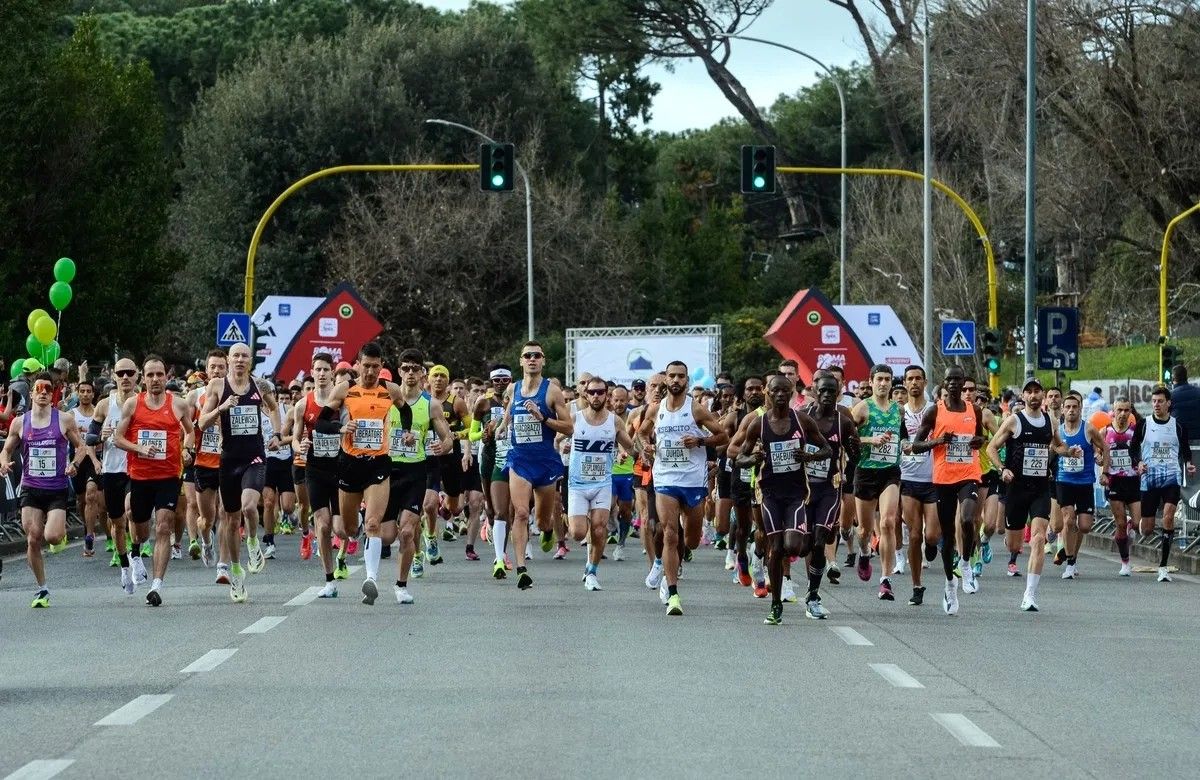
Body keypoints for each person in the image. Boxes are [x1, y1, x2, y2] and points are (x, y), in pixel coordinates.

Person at [735, 375, 830, 624]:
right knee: (776, 549)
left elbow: (827, 449)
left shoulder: (802, 420)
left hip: (796, 494)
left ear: (791, 393)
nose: (780, 395)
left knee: (794, 547)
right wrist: (753, 459)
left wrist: (809, 457)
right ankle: (776, 604)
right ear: (768, 393)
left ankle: (788, 552)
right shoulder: (758, 424)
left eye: (784, 391)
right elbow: (740, 457)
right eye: (775, 391)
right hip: (769, 494)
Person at [638, 360, 728, 616]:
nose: (676, 380)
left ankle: (676, 562)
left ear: (687, 380)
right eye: (672, 376)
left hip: (692, 480)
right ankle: (673, 592)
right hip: (665, 478)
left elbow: (723, 436)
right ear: (666, 379)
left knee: (691, 541)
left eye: (681, 376)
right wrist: (647, 447)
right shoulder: (655, 409)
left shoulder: (696, 409)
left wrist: (699, 441)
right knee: (669, 533)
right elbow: (642, 433)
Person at [196, 342, 283, 603]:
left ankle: (253, 541)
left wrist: (277, 434)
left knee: (248, 507)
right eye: (236, 356)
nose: (240, 360)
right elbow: (201, 422)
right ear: (229, 359)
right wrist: (222, 408)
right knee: (231, 520)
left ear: (250, 360)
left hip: (254, 457)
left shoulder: (260, 385)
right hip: (228, 460)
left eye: (245, 356)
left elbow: (274, 408)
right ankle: (235, 571)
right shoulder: (217, 386)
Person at [986, 378, 1082, 611]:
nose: (1033, 395)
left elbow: (1058, 445)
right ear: (1023, 396)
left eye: (1037, 391)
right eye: (1028, 391)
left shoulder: (1051, 421)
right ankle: (1012, 545)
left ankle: (1029, 594)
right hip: (1016, 488)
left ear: (1042, 395)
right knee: (1014, 544)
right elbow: (991, 448)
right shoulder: (1014, 421)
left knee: (1038, 538)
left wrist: (1069, 451)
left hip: (1040, 488)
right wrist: (1002, 469)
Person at [0, 372, 89, 607]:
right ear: (32, 393)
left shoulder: (64, 419)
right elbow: (6, 450)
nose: (43, 393)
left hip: (56, 489)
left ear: (52, 394)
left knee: (52, 536)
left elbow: (81, 447)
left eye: (48, 389)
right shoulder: (20, 422)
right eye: (38, 388)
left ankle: (60, 533)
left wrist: (74, 464)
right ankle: (42, 589)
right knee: (32, 539)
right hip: (30, 488)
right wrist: (3, 463)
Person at [113, 355, 195, 606]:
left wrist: (187, 449)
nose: (155, 379)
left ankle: (157, 585)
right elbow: (118, 438)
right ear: (143, 378)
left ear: (167, 376)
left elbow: (190, 432)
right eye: (150, 375)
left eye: (160, 374)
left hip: (168, 476)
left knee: (163, 527)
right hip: (140, 477)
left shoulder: (178, 405)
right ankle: (136, 552)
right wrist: (139, 448)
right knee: (139, 531)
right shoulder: (132, 404)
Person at [499, 341, 573, 590]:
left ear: (543, 361)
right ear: (521, 361)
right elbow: (510, 410)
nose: (532, 359)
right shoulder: (513, 388)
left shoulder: (552, 391)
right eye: (528, 355)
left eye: (537, 355)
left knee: (542, 521)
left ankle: (548, 530)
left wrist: (543, 419)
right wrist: (502, 426)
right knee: (520, 512)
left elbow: (569, 427)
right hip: (519, 460)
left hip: (545, 462)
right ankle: (521, 568)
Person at [379, 349, 452, 605]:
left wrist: (443, 446)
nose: (410, 373)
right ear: (399, 371)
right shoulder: (386, 399)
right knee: (387, 535)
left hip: (415, 472)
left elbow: (448, 438)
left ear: (422, 373)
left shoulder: (430, 404)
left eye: (415, 369)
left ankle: (401, 585)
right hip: (387, 471)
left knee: (407, 532)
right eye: (406, 368)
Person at [910, 366, 984, 615]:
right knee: (948, 536)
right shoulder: (935, 410)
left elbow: (980, 438)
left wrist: (979, 441)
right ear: (944, 383)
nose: (953, 383)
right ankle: (950, 585)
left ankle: (965, 564)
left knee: (967, 519)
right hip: (943, 478)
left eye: (957, 379)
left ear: (963, 383)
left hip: (968, 474)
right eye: (949, 379)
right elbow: (916, 445)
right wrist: (939, 441)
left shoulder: (974, 410)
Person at [567, 377, 638, 591]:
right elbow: (557, 439)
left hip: (602, 483)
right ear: (586, 395)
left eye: (600, 392)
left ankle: (592, 571)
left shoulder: (614, 421)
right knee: (578, 533)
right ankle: (588, 539)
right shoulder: (575, 418)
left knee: (599, 529)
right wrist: (561, 446)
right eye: (592, 392)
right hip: (578, 484)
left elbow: (630, 446)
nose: (596, 396)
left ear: (606, 395)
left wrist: (627, 452)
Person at [801, 371, 859, 618]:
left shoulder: (843, 421)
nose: (826, 395)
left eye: (831, 391)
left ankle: (813, 594)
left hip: (829, 488)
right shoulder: (802, 416)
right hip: (803, 488)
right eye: (822, 390)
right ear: (815, 391)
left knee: (819, 540)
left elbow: (855, 455)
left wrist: (854, 450)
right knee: (803, 544)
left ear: (838, 394)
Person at [851, 364, 905, 598]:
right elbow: (848, 438)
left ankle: (885, 579)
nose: (883, 383)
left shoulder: (898, 410)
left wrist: (905, 445)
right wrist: (869, 440)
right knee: (864, 530)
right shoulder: (862, 408)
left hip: (890, 471)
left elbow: (902, 436)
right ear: (871, 381)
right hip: (866, 472)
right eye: (879, 379)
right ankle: (864, 553)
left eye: (887, 379)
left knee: (888, 522)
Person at [1134, 385, 1195, 582]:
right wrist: (1139, 462)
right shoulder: (1144, 424)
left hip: (1171, 476)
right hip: (1150, 478)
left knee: (1168, 518)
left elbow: (1185, 449)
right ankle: (1133, 524)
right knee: (1147, 529)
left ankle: (1163, 567)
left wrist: (1188, 463)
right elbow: (1133, 448)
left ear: (1169, 403)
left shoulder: (1178, 426)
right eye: (1154, 401)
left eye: (1160, 401)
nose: (1156, 405)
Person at [1054, 392, 1108, 580]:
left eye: (1074, 407)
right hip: (1064, 481)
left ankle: (1071, 552)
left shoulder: (1089, 429)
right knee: (1069, 520)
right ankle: (1070, 564)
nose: (1071, 410)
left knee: (1084, 526)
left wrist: (1104, 471)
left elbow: (1105, 447)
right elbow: (1053, 449)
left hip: (1085, 482)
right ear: (1062, 410)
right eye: (1068, 407)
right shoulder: (1058, 431)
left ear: (1080, 409)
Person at [898, 365, 938, 606]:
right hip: (908, 479)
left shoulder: (934, 410)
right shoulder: (899, 412)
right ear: (905, 382)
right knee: (914, 535)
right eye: (910, 379)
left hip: (933, 479)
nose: (914, 383)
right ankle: (916, 585)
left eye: (918, 379)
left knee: (931, 535)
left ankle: (932, 545)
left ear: (925, 382)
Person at [1100, 397, 1140, 576]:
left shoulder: (1135, 431)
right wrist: (1099, 459)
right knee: (1120, 523)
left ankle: (1131, 525)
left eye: (1126, 410)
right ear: (1113, 411)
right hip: (1114, 481)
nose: (1123, 414)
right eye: (1119, 410)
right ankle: (1125, 562)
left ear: (1130, 411)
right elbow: (1097, 452)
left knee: (1138, 524)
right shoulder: (1105, 431)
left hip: (1133, 480)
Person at [69, 378, 103, 558]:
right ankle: (86, 527)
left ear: (93, 393)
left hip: (94, 459)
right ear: (78, 393)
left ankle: (90, 536)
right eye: (82, 391)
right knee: (82, 500)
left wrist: (96, 438)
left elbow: (102, 437)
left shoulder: (99, 412)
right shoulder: (71, 415)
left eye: (88, 391)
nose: (85, 394)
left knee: (91, 495)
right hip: (77, 459)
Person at [1169, 365, 1200, 448]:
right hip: (1197, 437)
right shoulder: (1198, 392)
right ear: (1186, 377)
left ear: (1173, 378)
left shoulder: (1170, 396)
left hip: (1179, 438)